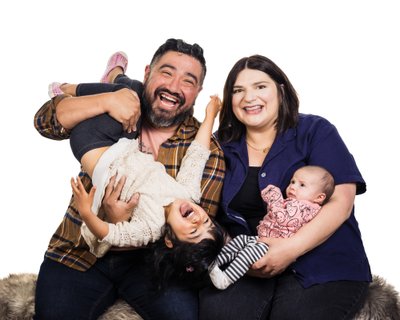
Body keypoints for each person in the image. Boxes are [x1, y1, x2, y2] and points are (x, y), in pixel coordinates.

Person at [33, 39, 225, 320]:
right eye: (167, 72)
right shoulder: (123, 105)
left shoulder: (211, 155)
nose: (173, 86)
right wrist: (106, 100)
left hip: (148, 263)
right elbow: (44, 121)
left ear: (197, 92)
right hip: (79, 251)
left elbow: (191, 245)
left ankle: (114, 78)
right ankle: (111, 81)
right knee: (129, 91)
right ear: (148, 72)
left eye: (188, 80)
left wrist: (116, 222)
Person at [199, 55, 371, 320]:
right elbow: (209, 214)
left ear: (280, 89)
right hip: (250, 263)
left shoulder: (316, 130)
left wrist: (288, 250)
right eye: (238, 90)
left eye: (260, 86)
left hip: (321, 264)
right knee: (218, 313)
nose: (248, 97)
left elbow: (343, 200)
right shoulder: (219, 145)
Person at [209, 165, 335, 290]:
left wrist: (275, 200)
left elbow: (284, 219)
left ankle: (225, 279)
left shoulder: (306, 207)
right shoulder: (292, 202)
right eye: (293, 182)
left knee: (248, 254)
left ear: (319, 197)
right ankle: (214, 263)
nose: (293, 187)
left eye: (302, 185)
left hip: (274, 246)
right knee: (240, 240)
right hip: (263, 239)